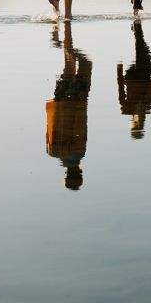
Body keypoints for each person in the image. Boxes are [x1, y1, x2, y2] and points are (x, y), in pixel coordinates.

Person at [46, 22, 92, 190]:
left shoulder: (79, 153)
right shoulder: (51, 152)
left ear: (80, 172)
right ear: (66, 174)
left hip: (77, 100)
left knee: (86, 63)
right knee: (68, 66)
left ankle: (65, 45)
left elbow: (81, 127)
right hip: (60, 101)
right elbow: (49, 126)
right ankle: (64, 43)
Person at [117, 21, 151, 139]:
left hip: (142, 75)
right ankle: (136, 29)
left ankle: (137, 26)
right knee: (143, 49)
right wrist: (119, 71)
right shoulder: (125, 109)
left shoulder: (146, 107)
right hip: (130, 77)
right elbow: (120, 88)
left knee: (143, 48)